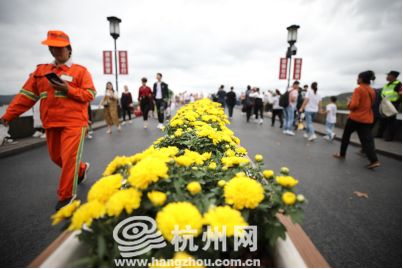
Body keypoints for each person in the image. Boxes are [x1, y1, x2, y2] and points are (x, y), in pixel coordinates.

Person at [0, 30, 95, 210]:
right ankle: (81, 170)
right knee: (56, 157)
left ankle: (66, 196)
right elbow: (25, 96)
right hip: (51, 122)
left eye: (59, 48)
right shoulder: (41, 71)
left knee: (68, 159)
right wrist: (8, 115)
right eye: (51, 47)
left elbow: (90, 94)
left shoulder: (80, 71)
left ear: (69, 49)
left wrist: (68, 89)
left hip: (74, 122)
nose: (55, 51)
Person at [334, 70, 380, 169]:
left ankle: (342, 154)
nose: (357, 79)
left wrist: (349, 102)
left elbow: (354, 105)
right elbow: (369, 104)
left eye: (358, 78)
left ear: (362, 79)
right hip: (367, 118)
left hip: (355, 118)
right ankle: (374, 160)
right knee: (366, 140)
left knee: (346, 136)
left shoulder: (359, 89)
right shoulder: (372, 91)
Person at [376, 70, 402, 141]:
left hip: (393, 104)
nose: (387, 77)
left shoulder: (398, 84)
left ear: (393, 76)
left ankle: (389, 137)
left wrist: (398, 101)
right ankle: (379, 135)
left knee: (391, 121)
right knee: (383, 120)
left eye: (388, 75)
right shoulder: (386, 85)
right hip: (385, 103)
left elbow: (401, 93)